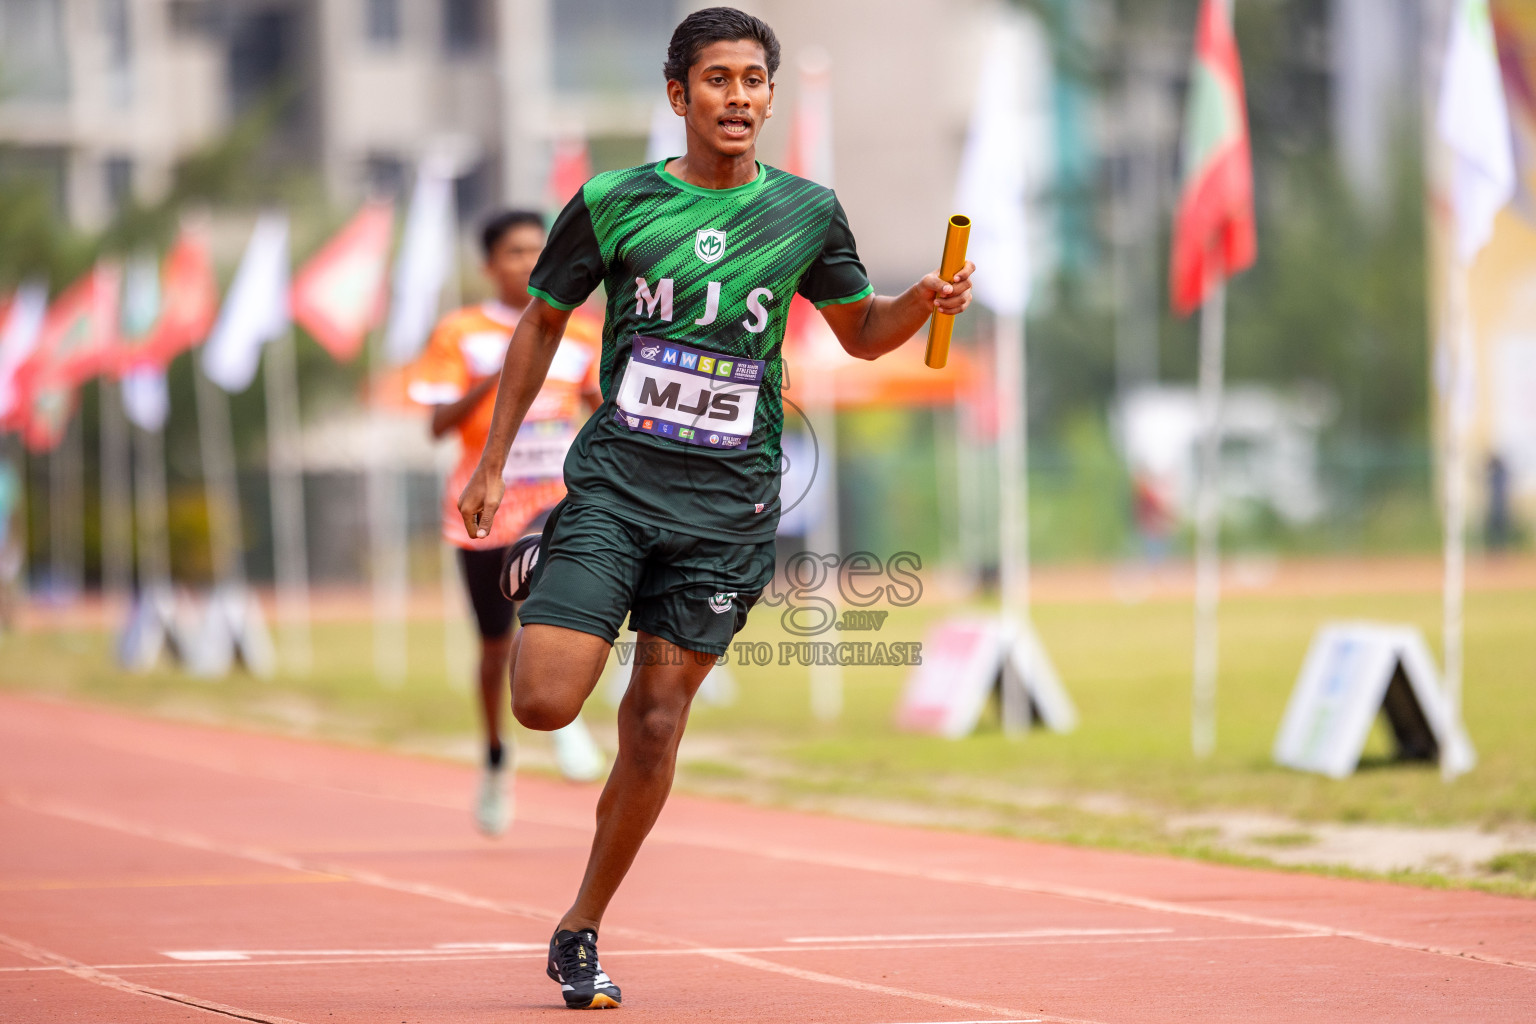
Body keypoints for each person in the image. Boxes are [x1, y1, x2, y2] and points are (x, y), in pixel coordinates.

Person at [456, 8, 974, 1009]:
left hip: (729, 512)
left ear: (770, 96)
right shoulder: (612, 203)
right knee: (544, 702)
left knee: (654, 721)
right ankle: (549, 542)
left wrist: (922, 303)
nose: (738, 97)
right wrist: (488, 466)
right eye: (718, 80)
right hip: (613, 488)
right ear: (678, 96)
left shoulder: (807, 212)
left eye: (753, 80)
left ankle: (581, 926)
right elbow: (541, 324)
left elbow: (863, 334)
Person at [407, 209, 607, 837]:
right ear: (488, 264)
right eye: (514, 252)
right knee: (496, 646)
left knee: (546, 618)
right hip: (484, 507)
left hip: (556, 500)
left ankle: (567, 724)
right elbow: (437, 425)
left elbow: (602, 407)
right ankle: (496, 757)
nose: (527, 262)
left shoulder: (579, 330)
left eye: (536, 250)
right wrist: (500, 375)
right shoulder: (460, 332)